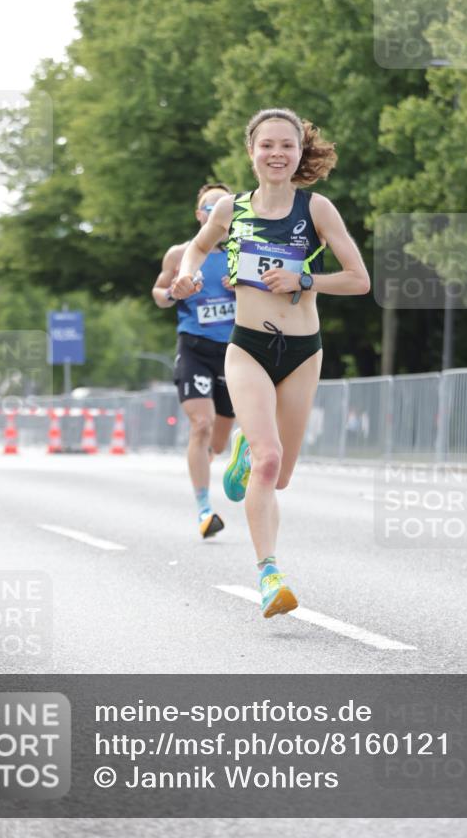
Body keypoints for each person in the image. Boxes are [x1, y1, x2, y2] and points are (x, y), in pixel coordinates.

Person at [172, 108, 370, 617]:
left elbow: (358, 279)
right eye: (267, 145)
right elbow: (195, 251)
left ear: (300, 153)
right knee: (270, 460)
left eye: (287, 145)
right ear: (252, 152)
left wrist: (307, 281)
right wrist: (189, 277)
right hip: (248, 347)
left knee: (280, 477)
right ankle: (269, 574)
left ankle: (241, 447)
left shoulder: (317, 209)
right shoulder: (230, 211)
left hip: (303, 352)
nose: (277, 153)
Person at [152, 183, 236, 538]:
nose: (213, 209)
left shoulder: (244, 252)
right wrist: (174, 291)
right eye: (207, 204)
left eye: (221, 204)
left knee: (218, 442)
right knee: (200, 425)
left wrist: (247, 285)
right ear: (199, 214)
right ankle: (204, 509)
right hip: (194, 349)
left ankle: (215, 462)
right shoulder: (181, 254)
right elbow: (158, 294)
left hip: (234, 354)